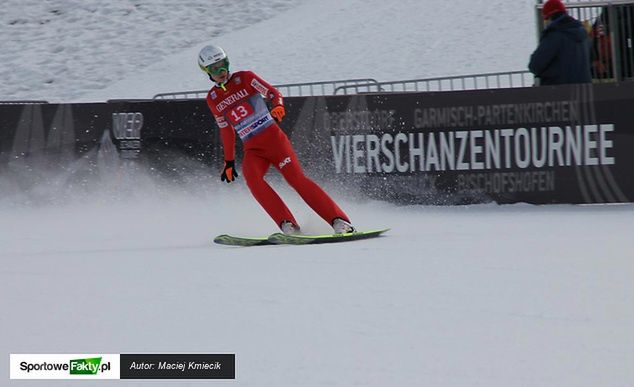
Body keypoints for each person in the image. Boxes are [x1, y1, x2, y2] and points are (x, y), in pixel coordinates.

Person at [198, 44, 355, 235]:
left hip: (274, 141)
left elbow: (273, 93)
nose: (221, 71)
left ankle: (340, 221)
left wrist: (277, 106)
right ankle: (287, 225)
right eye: (214, 68)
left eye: (223, 65)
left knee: (296, 179)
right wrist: (229, 161)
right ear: (206, 71)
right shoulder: (212, 99)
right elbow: (226, 130)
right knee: (253, 180)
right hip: (253, 149)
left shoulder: (245, 78)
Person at [528, 0, 592, 85]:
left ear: (549, 17)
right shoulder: (582, 33)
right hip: (584, 88)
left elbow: (535, 65)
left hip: (558, 90)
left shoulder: (555, 34)